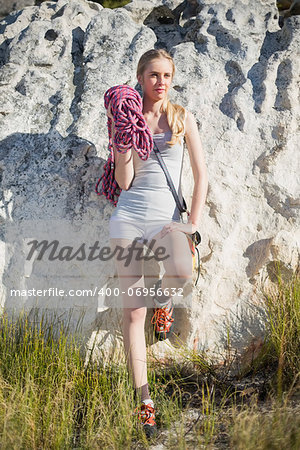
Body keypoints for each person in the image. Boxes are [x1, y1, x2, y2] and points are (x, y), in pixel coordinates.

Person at [107, 48, 208, 438]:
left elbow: (201, 177)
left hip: (168, 220)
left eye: (167, 75)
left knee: (182, 271)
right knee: (133, 313)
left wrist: (190, 227)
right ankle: (144, 402)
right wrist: (120, 147)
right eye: (153, 75)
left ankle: (162, 301)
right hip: (129, 217)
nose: (161, 82)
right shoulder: (127, 120)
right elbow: (124, 183)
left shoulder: (182, 117)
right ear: (141, 76)